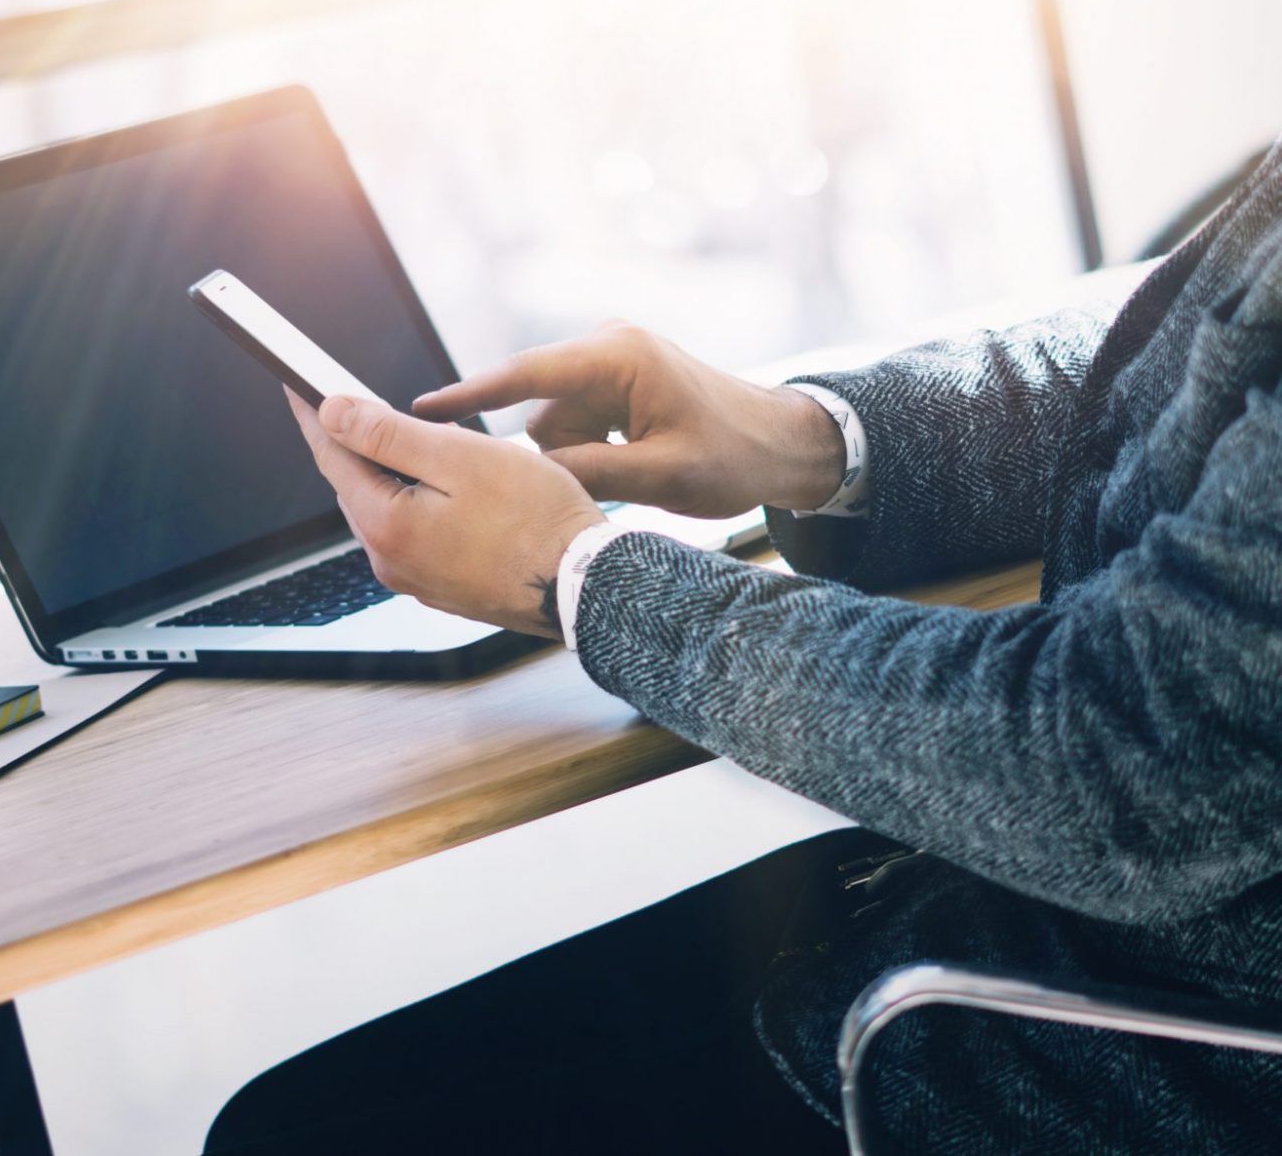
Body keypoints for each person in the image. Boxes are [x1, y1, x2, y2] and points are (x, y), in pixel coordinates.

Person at [206, 143, 1282, 1154]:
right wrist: (810, 436)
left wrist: (579, 570)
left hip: (1141, 1050)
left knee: (298, 1128)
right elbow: (1187, 360)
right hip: (1101, 936)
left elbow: (1103, 759)